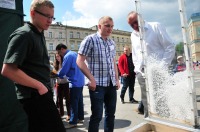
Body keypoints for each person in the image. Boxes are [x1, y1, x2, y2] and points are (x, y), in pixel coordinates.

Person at [1, 0, 66, 132]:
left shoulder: (39, 33)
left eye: (52, 17)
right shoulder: (24, 34)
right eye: (46, 16)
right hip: (35, 95)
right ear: (33, 13)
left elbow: (35, 66)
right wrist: (40, 86)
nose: (50, 20)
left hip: (41, 93)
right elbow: (8, 70)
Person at [127, 11, 175, 117]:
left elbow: (170, 46)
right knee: (146, 101)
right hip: (142, 73)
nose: (134, 26)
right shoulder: (133, 35)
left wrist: (161, 67)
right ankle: (150, 121)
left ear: (141, 18)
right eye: (131, 25)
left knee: (161, 100)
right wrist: (137, 70)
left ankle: (164, 122)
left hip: (158, 70)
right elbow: (135, 54)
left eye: (136, 22)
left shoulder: (156, 27)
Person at [76, 16, 120, 132]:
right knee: (97, 116)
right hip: (97, 84)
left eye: (112, 26)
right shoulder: (90, 40)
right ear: (99, 26)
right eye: (107, 26)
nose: (110, 29)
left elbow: (113, 62)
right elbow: (79, 61)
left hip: (111, 84)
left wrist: (117, 79)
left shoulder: (111, 42)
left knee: (111, 115)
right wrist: (91, 79)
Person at [56, 43, 85, 129]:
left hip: (75, 82)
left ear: (61, 49)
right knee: (79, 101)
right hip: (80, 81)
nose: (60, 55)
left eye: (59, 52)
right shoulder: (74, 53)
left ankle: (73, 122)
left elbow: (64, 70)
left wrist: (57, 74)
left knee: (73, 103)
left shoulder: (68, 56)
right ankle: (80, 117)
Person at [53, 53, 71, 120]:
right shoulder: (56, 64)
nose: (57, 58)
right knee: (59, 100)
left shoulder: (64, 63)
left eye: (58, 56)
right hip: (59, 83)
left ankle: (69, 114)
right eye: (56, 57)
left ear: (61, 56)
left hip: (66, 83)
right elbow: (55, 73)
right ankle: (61, 113)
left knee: (68, 99)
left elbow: (67, 73)